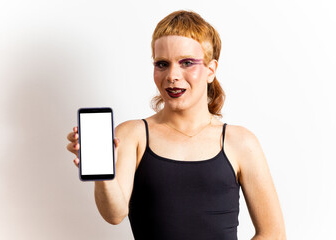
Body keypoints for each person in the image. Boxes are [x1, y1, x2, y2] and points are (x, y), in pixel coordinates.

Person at [67, 10, 286, 240]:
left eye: (187, 63)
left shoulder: (241, 142)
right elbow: (114, 214)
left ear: (211, 70)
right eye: (162, 64)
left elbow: (274, 233)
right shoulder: (132, 135)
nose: (172, 75)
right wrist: (103, 171)